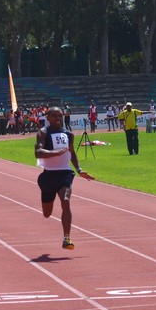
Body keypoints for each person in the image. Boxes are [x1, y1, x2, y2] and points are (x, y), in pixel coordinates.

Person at [35, 107, 94, 250]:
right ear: (47, 117)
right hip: (48, 175)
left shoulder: (68, 134)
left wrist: (79, 169)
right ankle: (50, 205)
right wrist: (56, 152)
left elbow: (72, 153)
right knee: (47, 214)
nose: (57, 118)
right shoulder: (43, 133)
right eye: (54, 115)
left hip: (64, 174)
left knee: (66, 201)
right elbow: (38, 152)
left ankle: (66, 238)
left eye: (60, 116)